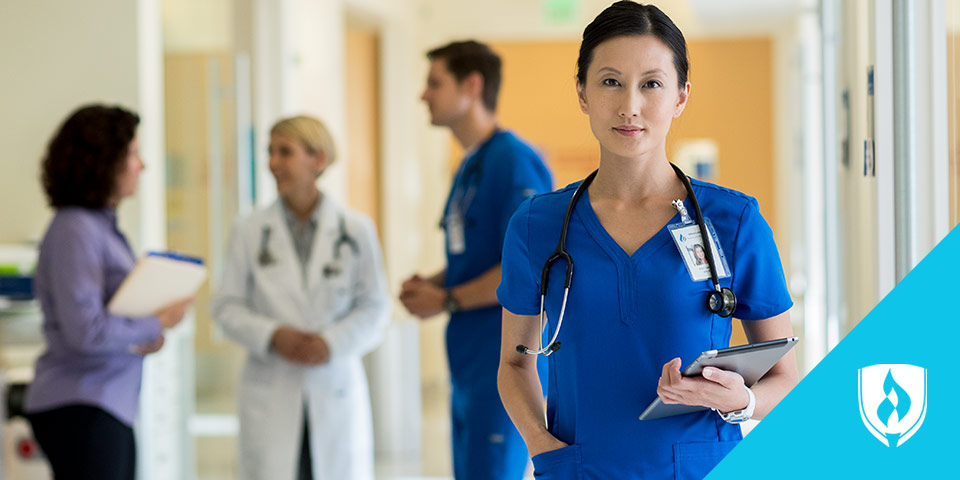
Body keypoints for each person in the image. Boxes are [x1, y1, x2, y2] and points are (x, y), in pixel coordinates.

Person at [496, 2, 800, 479]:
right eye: (610, 81)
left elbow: (786, 378)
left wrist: (742, 401)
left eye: (651, 84)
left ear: (681, 97)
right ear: (582, 92)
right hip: (580, 469)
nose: (629, 106)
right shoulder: (537, 225)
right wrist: (543, 447)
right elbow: (514, 365)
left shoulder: (734, 221)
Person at [399, 40, 553, 479]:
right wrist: (433, 285)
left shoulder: (515, 164)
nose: (422, 95)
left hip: (500, 357)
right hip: (468, 360)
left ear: (471, 86)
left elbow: (527, 267)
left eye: (434, 83)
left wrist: (446, 299)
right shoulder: (472, 165)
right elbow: (476, 254)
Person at [212, 115, 390, 480]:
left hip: (333, 384)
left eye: (284, 152)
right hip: (272, 387)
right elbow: (226, 307)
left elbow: (375, 306)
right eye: (270, 152)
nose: (273, 163)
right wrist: (272, 335)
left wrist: (331, 342)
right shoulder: (249, 229)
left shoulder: (355, 230)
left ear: (318, 159)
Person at [25, 104, 191, 480]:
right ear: (103, 161)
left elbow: (105, 321)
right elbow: (85, 331)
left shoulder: (100, 228)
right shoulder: (76, 229)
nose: (142, 165)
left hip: (103, 404)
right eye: (133, 154)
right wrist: (154, 324)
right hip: (81, 404)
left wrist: (145, 336)